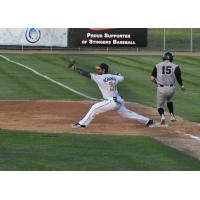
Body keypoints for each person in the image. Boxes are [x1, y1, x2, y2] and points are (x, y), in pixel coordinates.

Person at [68, 60, 154, 128]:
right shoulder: (114, 77)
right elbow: (122, 78)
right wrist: (117, 73)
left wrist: (74, 68)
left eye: (99, 69)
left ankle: (81, 124)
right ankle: (148, 121)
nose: (97, 70)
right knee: (128, 114)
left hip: (112, 102)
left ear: (103, 70)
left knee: (94, 107)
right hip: (119, 100)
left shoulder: (99, 77)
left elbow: (85, 74)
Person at [150, 52, 185, 125]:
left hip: (161, 88)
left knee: (159, 105)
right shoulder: (175, 66)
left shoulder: (157, 65)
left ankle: (162, 116)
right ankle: (172, 115)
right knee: (169, 100)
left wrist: (157, 83)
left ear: (163, 58)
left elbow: (152, 78)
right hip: (171, 88)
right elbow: (178, 76)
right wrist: (182, 85)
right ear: (171, 58)